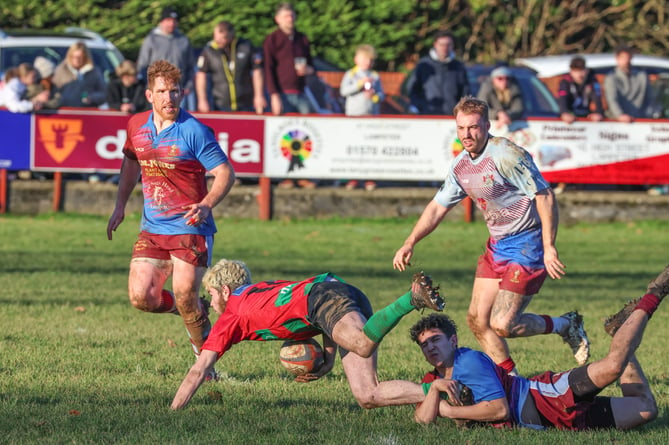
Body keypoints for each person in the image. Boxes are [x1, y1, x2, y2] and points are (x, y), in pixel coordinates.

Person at [392, 96, 589, 376]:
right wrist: (409, 242)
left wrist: (549, 247)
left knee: (503, 325)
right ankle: (510, 381)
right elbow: (437, 207)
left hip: (527, 245)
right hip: (497, 246)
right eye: (461, 128)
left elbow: (544, 195)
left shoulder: (506, 155)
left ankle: (565, 325)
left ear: (486, 125)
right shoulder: (461, 166)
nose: (466, 135)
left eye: (473, 127)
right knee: (476, 320)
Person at [409, 263, 669, 429]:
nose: (430, 348)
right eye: (424, 345)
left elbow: (500, 410)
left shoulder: (468, 362)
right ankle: (620, 332)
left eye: (436, 340)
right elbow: (422, 421)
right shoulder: (434, 377)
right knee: (645, 409)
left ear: (452, 340)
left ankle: (655, 293)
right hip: (556, 421)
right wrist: (434, 390)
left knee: (613, 366)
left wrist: (452, 411)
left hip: (549, 394)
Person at [106, 60, 236, 379]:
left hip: (191, 227)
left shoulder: (194, 131)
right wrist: (120, 205)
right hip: (153, 228)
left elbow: (225, 173)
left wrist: (205, 205)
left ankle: (203, 366)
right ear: (149, 95)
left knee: (184, 293)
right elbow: (131, 164)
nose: (169, 98)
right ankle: (194, 309)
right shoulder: (136, 125)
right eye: (162, 92)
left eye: (174, 91)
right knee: (142, 298)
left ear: (183, 93)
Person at [170, 260, 445, 410]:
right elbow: (324, 285)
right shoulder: (264, 289)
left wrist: (174, 411)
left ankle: (412, 297)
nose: (212, 302)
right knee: (367, 395)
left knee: (361, 344)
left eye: (213, 295)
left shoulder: (232, 315)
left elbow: (198, 372)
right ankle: (439, 394)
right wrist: (327, 356)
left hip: (325, 300)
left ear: (226, 291)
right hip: (337, 294)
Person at [263, 2, 317, 189]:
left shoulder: (302, 39)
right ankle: (285, 176)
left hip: (301, 93)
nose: (290, 19)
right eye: (286, 16)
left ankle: (302, 174)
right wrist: (274, 95)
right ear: (277, 19)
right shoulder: (272, 39)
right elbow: (268, 69)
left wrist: (308, 70)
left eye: (292, 15)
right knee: (284, 137)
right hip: (282, 94)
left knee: (305, 136)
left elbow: (312, 65)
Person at [339, 43, 385, 191]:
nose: (368, 62)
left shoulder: (375, 76)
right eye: (365, 59)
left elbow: (381, 95)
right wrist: (359, 84)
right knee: (354, 147)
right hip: (354, 116)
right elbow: (343, 91)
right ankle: (353, 178)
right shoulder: (351, 74)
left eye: (370, 60)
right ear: (356, 59)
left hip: (371, 117)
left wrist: (374, 96)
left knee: (369, 148)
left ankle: (369, 178)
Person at [195, 20, 265, 114]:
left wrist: (259, 96)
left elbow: (257, 71)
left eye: (223, 38)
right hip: (220, 103)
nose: (218, 41)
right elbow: (201, 76)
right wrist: (202, 100)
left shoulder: (246, 46)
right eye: (216, 37)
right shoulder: (209, 51)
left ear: (231, 35)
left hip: (245, 103)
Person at [137, 6, 195, 110]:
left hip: (179, 91)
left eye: (174, 21)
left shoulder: (183, 40)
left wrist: (188, 86)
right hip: (158, 91)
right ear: (162, 21)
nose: (172, 24)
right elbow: (142, 66)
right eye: (168, 20)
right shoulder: (151, 40)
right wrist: (149, 87)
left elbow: (191, 66)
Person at [407, 31, 469, 115]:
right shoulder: (424, 65)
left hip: (452, 117)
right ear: (435, 44)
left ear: (452, 45)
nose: (445, 47)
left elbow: (465, 92)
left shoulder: (458, 66)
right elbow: (412, 89)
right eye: (442, 44)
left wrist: (460, 110)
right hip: (427, 116)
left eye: (448, 44)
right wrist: (421, 107)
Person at [604, 45, 657, 122]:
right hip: (616, 122)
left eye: (628, 57)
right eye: (623, 58)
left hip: (640, 120)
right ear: (617, 59)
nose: (626, 61)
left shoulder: (642, 76)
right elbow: (612, 100)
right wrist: (620, 115)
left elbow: (650, 98)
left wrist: (647, 115)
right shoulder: (611, 77)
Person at [51, 41, 107, 108]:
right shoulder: (61, 71)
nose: (76, 60)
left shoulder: (94, 72)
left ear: (85, 57)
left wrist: (92, 97)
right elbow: (53, 93)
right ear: (69, 56)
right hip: (65, 111)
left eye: (80, 57)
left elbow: (104, 94)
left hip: (87, 112)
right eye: (74, 57)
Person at [558, 56, 604, 124]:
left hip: (586, 116)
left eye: (581, 71)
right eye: (575, 71)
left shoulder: (592, 82)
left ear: (586, 70)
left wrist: (598, 113)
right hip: (570, 116)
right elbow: (562, 99)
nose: (579, 75)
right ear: (571, 71)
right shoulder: (565, 82)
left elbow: (597, 98)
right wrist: (564, 113)